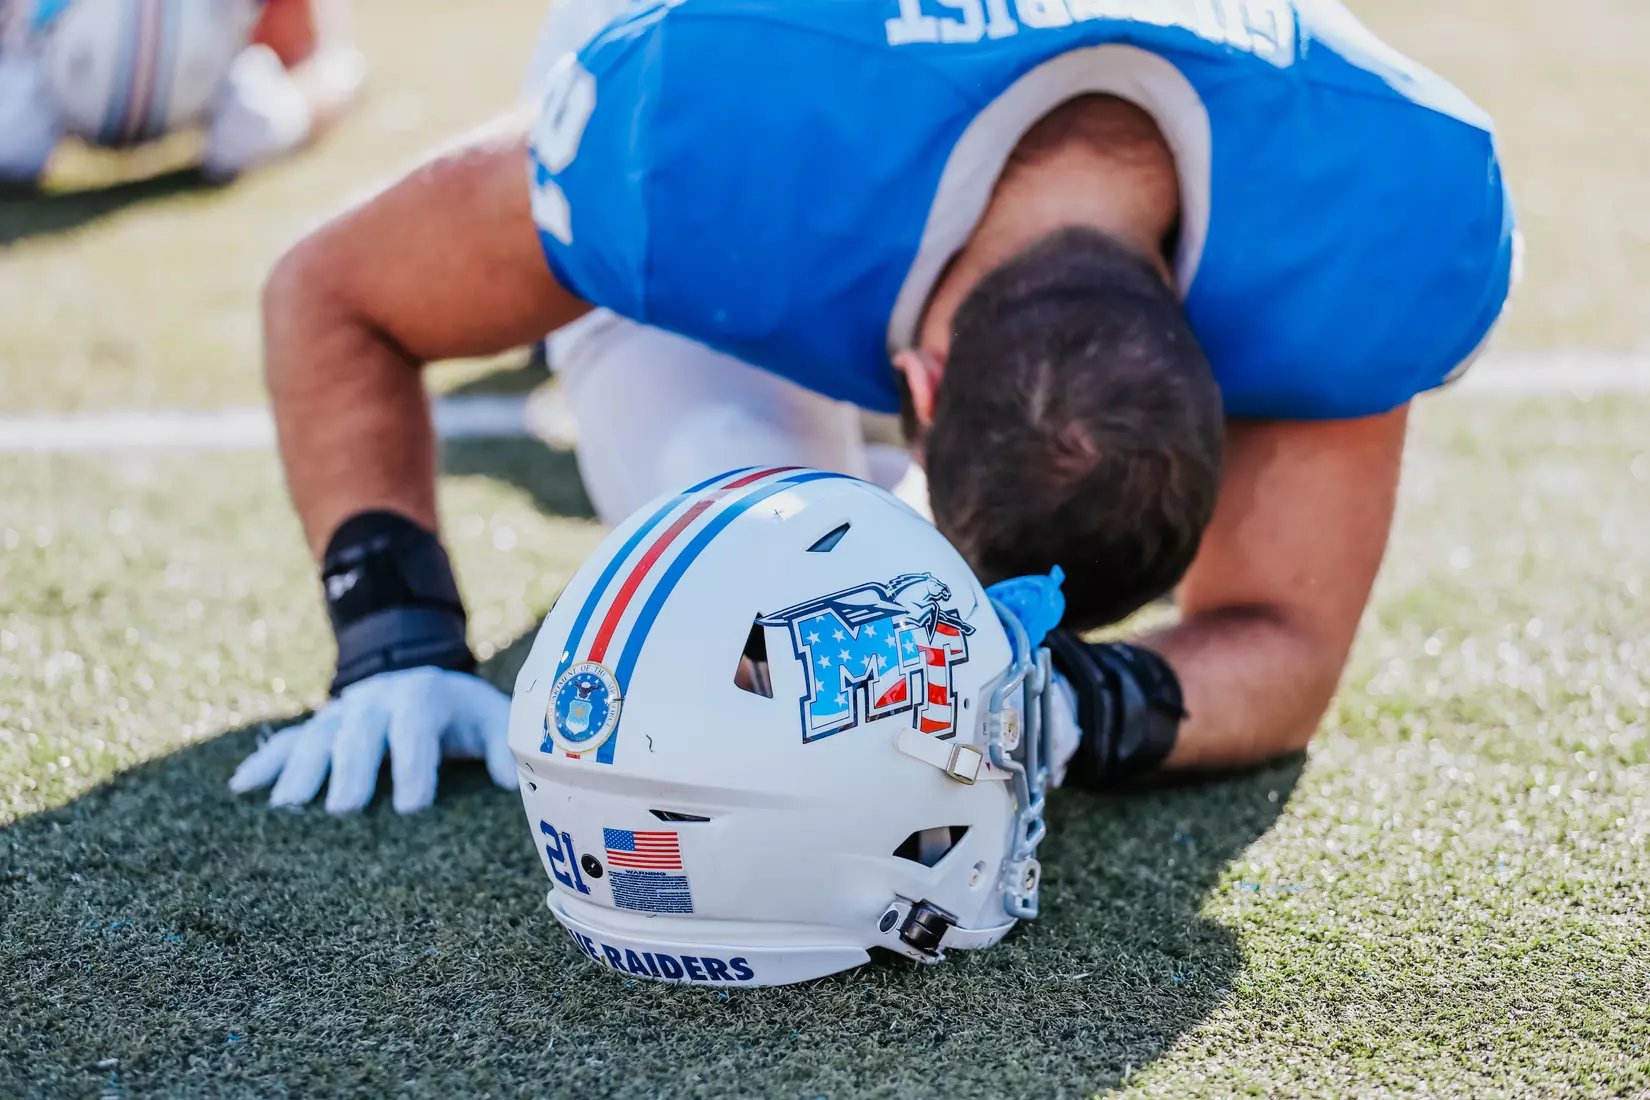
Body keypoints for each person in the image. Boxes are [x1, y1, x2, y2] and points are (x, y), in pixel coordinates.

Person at [229, 0, 1517, 813]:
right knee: (746, 549)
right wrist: (395, 630)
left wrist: (1061, 702)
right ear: (923, 382)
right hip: (770, 107)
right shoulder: (699, 130)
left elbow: (1286, 644)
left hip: (855, 137)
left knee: (869, 655)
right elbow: (332, 293)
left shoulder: (1363, 198)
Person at [0, 0, 363, 185]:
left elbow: (307, 49)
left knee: (255, 125)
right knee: (13, 137)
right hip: (37, 92)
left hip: (221, 90)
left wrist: (327, 83)